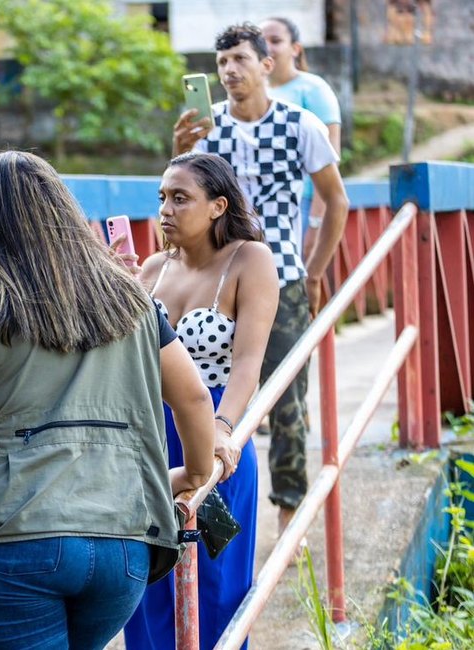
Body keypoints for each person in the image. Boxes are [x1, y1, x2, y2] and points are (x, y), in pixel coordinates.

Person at [0, 150, 216, 650]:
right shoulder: (130, 298)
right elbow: (195, 398)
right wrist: (196, 473)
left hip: (0, 538)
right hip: (121, 542)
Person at [173, 23, 349, 534]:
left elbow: (336, 200)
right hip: (220, 279)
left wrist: (314, 271)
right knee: (198, 390)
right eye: (222, 62)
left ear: (266, 65)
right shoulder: (208, 131)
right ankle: (210, 514)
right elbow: (180, 200)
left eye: (240, 60)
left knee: (287, 398)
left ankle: (288, 513)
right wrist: (179, 149)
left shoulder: (300, 125)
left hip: (285, 274)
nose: (229, 71)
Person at [123, 152, 279, 650]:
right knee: (146, 576)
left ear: (217, 206)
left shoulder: (249, 260)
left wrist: (223, 428)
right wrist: (111, 285)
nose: (166, 209)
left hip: (213, 435)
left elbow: (248, 366)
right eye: (162, 198)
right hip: (149, 435)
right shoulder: (149, 270)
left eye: (181, 198)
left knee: (215, 577)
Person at [261, 16, 343, 255]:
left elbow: (330, 159)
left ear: (295, 49)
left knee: (296, 284)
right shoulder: (258, 93)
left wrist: (316, 223)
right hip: (264, 206)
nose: (267, 48)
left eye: (275, 40)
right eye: (261, 41)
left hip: (303, 203)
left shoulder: (313, 89)